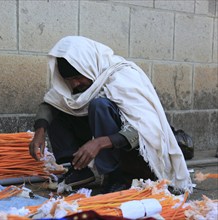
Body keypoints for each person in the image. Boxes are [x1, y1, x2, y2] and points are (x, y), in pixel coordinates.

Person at [29, 36, 192, 194]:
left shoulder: (123, 76)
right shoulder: (75, 85)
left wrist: (101, 142)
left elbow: (144, 130)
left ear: (89, 67)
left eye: (78, 77)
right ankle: (79, 169)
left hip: (134, 154)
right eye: (69, 79)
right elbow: (50, 104)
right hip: (108, 142)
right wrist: (40, 131)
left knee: (99, 105)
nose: (74, 84)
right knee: (59, 105)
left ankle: (116, 177)